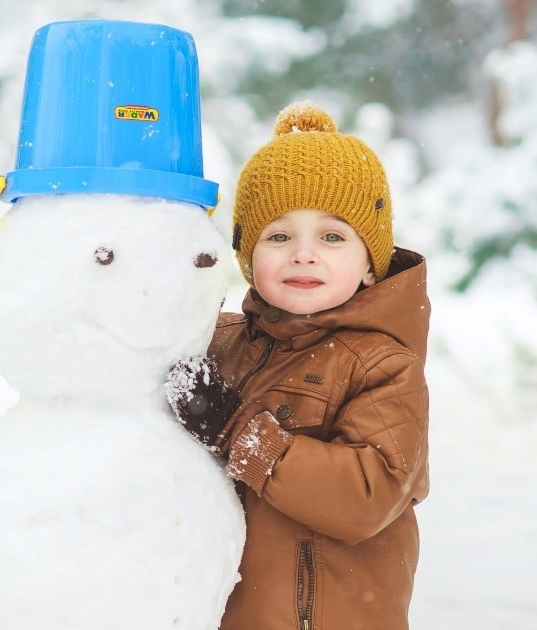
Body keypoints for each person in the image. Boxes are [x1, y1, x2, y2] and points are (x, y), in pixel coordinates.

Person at [166, 101, 430, 630]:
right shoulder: (212, 339)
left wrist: (242, 438)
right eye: (279, 236)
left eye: (332, 236)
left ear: (371, 266)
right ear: (248, 255)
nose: (303, 254)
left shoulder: (380, 365)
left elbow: (367, 496)